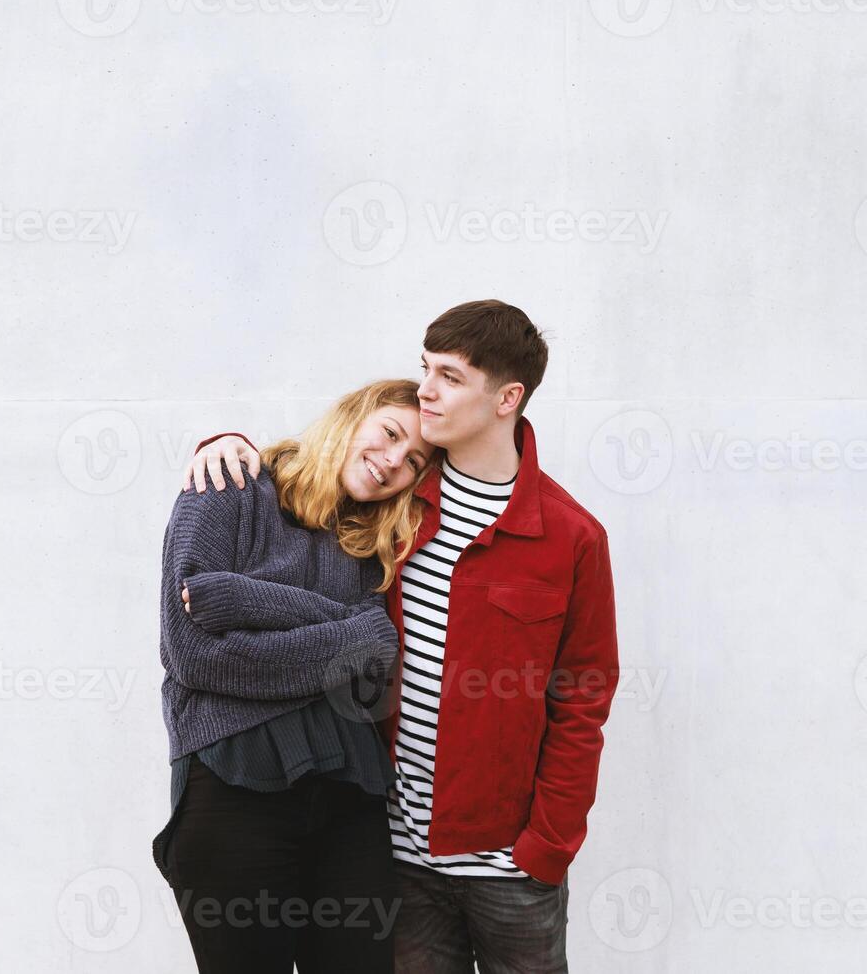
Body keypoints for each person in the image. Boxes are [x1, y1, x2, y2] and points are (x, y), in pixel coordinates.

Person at [182, 300, 620, 973]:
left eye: (449, 377)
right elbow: (302, 488)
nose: (427, 390)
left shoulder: (571, 536)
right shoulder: (396, 508)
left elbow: (584, 697)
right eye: (425, 369)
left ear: (507, 398)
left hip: (509, 864)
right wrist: (225, 443)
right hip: (391, 854)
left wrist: (547, 844)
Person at [153, 377, 437, 973]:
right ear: (349, 416)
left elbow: (373, 662)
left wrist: (238, 600)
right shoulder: (228, 488)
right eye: (389, 434)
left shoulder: (374, 542)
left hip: (350, 800)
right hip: (232, 789)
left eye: (414, 461)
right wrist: (349, 629)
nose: (393, 463)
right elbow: (194, 655)